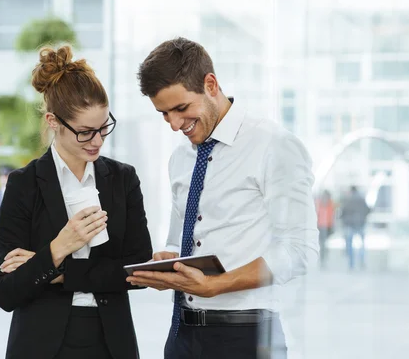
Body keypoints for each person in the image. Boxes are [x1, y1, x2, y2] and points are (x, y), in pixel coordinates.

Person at [126, 37, 319, 359]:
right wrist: (167, 264)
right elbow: (179, 243)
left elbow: (299, 249)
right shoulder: (180, 159)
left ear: (210, 84)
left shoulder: (274, 145)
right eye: (164, 114)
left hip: (246, 337)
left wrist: (221, 284)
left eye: (181, 108)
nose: (174, 124)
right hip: (181, 336)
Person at [0, 45, 153, 359]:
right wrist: (59, 246)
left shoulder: (123, 179)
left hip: (111, 342)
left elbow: (138, 269)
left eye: (103, 128)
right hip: (40, 345)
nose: (97, 141)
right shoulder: (24, 185)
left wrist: (62, 271)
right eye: (84, 132)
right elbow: (6, 292)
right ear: (53, 121)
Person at [339, 185, 371, 270]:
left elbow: (342, 212)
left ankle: (351, 264)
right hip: (361, 223)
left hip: (350, 225)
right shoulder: (362, 199)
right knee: (362, 243)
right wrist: (363, 218)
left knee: (350, 244)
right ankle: (362, 260)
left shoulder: (347, 199)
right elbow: (368, 210)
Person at [316, 190, 335, 268]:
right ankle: (323, 257)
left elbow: (332, 215)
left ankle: (323, 257)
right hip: (323, 226)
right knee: (323, 243)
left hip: (324, 225)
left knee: (323, 243)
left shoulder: (327, 203)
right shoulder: (328, 203)